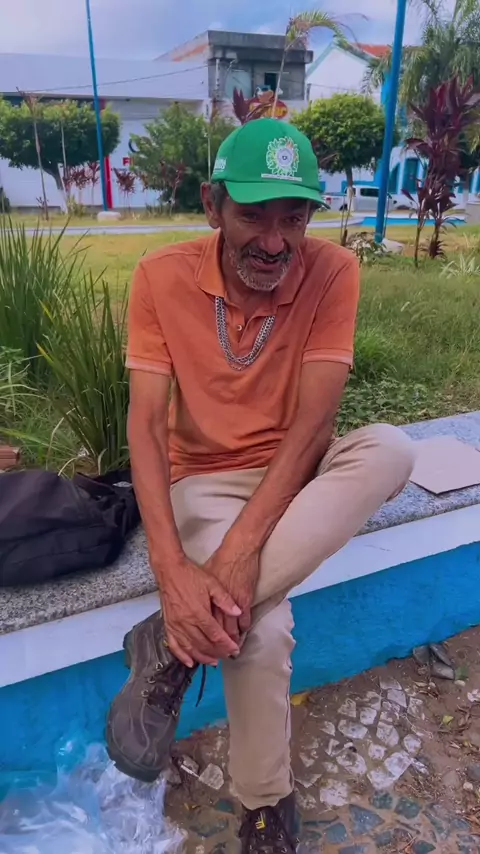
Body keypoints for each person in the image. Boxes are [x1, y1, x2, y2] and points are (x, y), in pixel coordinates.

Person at [106, 118, 415, 853]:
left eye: (294, 218)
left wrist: (240, 554)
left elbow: (314, 428)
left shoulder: (333, 272)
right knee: (261, 630)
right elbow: (145, 427)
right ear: (212, 205)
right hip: (205, 481)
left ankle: (170, 647)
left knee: (392, 449)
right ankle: (266, 806)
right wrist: (171, 571)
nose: (275, 242)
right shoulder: (160, 278)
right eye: (254, 215)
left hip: (297, 473)